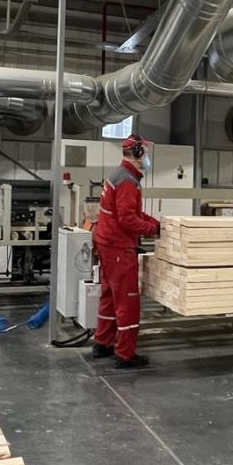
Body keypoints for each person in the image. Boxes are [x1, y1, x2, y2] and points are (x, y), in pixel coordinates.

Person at [91, 134, 160, 368]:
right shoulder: (128, 181)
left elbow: (132, 213)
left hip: (106, 244)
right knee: (127, 301)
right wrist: (152, 230)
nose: (147, 157)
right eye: (146, 152)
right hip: (119, 248)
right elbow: (128, 219)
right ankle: (125, 354)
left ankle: (103, 343)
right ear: (138, 153)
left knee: (109, 296)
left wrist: (156, 223)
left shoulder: (118, 175)